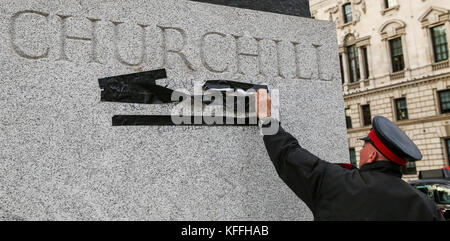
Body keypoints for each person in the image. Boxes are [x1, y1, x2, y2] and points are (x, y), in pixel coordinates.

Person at [254, 89, 445, 221]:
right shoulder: (426, 206)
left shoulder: (337, 183)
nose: (360, 152)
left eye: (364, 147)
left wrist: (266, 118)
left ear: (372, 156)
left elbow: (288, 154)